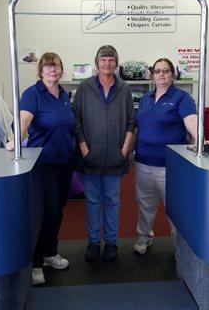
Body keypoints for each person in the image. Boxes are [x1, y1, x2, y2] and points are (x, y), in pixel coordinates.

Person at [7, 52, 75, 285]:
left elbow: (68, 126)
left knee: (58, 212)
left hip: (65, 162)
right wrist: (16, 141)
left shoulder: (64, 94)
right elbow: (24, 121)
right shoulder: (33, 94)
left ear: (61, 69)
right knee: (46, 213)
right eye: (47, 67)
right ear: (40, 71)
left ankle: (49, 253)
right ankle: (35, 263)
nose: (52, 70)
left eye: (55, 66)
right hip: (43, 164)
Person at [74, 45, 135, 263]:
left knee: (112, 200)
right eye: (103, 60)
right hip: (91, 155)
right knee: (92, 200)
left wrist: (124, 151)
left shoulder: (125, 89)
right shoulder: (84, 87)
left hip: (115, 156)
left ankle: (110, 242)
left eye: (111, 60)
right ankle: (93, 242)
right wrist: (84, 149)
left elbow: (131, 122)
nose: (107, 64)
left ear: (116, 63)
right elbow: (77, 120)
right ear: (97, 62)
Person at [133, 58, 198, 255]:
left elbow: (191, 121)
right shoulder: (146, 98)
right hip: (143, 162)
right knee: (145, 205)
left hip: (169, 165)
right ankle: (144, 237)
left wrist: (200, 138)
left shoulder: (182, 97)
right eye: (157, 71)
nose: (161, 74)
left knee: (175, 209)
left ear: (172, 75)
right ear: (152, 74)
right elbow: (139, 126)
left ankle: (180, 249)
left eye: (166, 71)